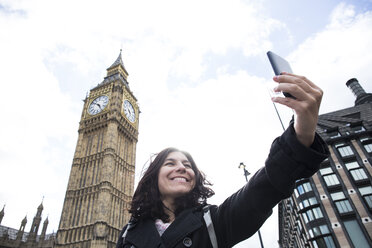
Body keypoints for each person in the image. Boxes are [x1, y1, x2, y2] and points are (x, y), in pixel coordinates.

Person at [116, 73, 330, 248]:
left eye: (188, 165)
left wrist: (302, 132)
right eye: (170, 163)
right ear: (153, 178)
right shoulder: (128, 234)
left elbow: (263, 189)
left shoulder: (213, 221)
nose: (181, 167)